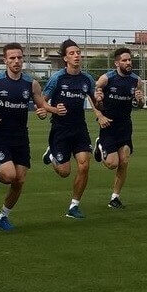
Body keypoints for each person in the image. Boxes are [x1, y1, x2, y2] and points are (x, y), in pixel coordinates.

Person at [0, 43, 49, 231]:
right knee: (8, 176)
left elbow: (41, 106)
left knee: (19, 180)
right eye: (12, 58)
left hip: (21, 137)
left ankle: (3, 217)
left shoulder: (31, 84)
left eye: (19, 58)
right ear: (5, 60)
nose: (16, 61)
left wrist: (43, 112)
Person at [42, 39, 111, 219]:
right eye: (72, 53)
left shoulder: (87, 79)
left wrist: (100, 101)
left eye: (78, 52)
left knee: (84, 165)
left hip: (80, 128)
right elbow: (41, 102)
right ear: (65, 58)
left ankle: (74, 206)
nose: (76, 56)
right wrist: (53, 110)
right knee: (64, 172)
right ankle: (52, 155)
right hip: (60, 129)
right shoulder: (57, 78)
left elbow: (97, 103)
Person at [93, 47, 144, 209]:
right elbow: (94, 99)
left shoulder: (136, 80)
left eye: (130, 60)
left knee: (124, 161)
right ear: (117, 63)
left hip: (125, 126)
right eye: (124, 60)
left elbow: (140, 105)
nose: (128, 63)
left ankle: (115, 197)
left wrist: (140, 100)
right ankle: (100, 145)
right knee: (112, 164)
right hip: (108, 125)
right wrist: (98, 105)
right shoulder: (106, 79)